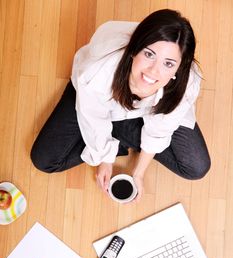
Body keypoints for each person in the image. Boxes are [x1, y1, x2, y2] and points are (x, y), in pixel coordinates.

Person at [30, 9, 211, 202]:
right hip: (94, 99)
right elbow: (94, 118)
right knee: (45, 160)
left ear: (179, 68)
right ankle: (122, 135)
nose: (154, 71)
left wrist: (139, 173)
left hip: (143, 114)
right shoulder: (99, 70)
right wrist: (105, 159)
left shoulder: (187, 81)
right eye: (149, 54)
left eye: (168, 64)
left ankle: (119, 135)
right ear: (134, 49)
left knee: (196, 167)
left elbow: (160, 129)